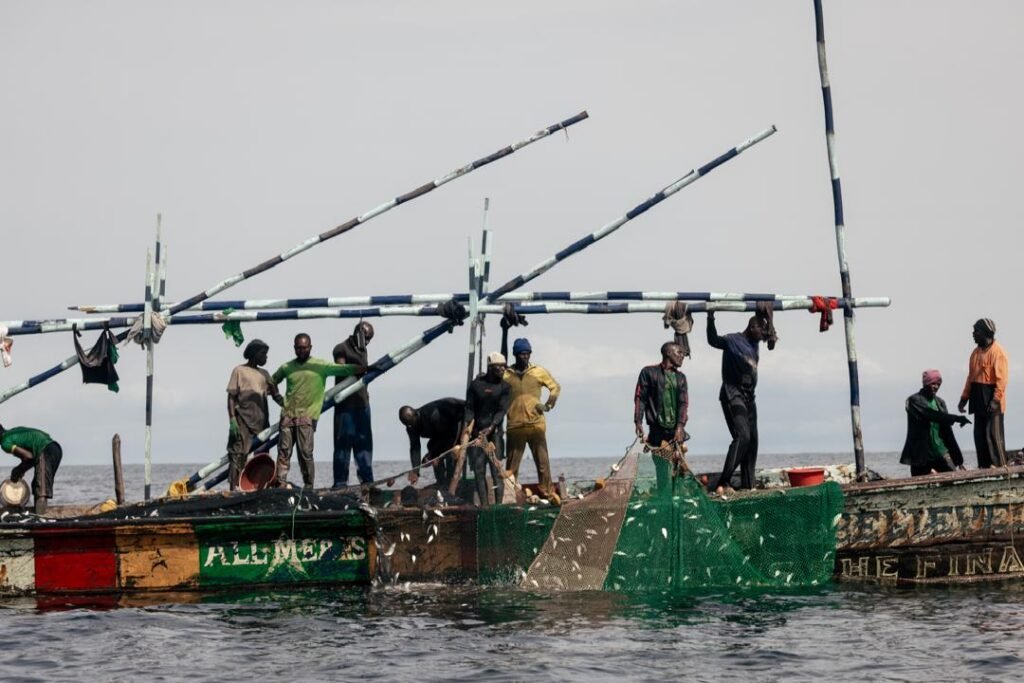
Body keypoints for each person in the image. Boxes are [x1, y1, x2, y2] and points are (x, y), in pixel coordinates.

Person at [272, 333, 365, 488]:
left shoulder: (320, 366)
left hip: (306, 419)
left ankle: (309, 487)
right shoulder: (287, 367)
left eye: (304, 348)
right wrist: (278, 398)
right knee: (283, 453)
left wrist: (361, 368)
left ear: (310, 347)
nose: (301, 351)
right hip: (287, 417)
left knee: (305, 454)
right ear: (294, 348)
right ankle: (280, 484)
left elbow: (342, 369)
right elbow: (272, 381)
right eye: (298, 348)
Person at [706, 311, 766, 494]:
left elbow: (770, 340)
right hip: (733, 394)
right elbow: (713, 340)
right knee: (743, 436)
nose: (762, 335)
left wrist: (768, 319)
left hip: (749, 397)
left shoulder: (756, 342)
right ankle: (723, 482)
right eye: (761, 331)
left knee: (753, 442)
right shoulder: (733, 340)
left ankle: (749, 485)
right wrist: (710, 317)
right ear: (752, 327)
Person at [503, 338, 561, 500]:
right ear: (515, 355)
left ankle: (549, 494)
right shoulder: (506, 375)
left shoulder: (538, 371)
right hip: (514, 426)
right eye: (522, 354)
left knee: (543, 464)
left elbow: (555, 387)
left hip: (536, 425)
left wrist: (549, 404)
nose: (525, 357)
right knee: (511, 467)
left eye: (528, 354)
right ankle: (510, 497)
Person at [225, 339, 283, 491]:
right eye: (263, 354)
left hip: (262, 423)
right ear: (254, 354)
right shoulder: (239, 371)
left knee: (262, 456)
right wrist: (232, 420)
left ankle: (258, 488)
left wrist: (289, 406)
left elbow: (276, 396)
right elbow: (231, 397)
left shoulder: (265, 374)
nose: (266, 357)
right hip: (242, 421)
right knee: (238, 455)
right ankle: (234, 489)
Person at [633, 342, 689, 493]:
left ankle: (676, 495)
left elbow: (684, 403)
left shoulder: (681, 377)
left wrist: (680, 427)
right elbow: (640, 397)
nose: (682, 356)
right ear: (668, 353)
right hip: (657, 431)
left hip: (676, 431)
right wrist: (638, 421)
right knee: (662, 467)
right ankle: (664, 497)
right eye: (679, 352)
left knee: (678, 465)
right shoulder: (648, 372)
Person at [958, 318, 1010, 468]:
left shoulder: (998, 352)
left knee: (993, 436)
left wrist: (995, 400)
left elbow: (1002, 380)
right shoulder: (975, 353)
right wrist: (964, 398)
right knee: (979, 437)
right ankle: (983, 468)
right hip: (977, 399)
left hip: (992, 400)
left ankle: (1000, 468)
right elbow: (971, 377)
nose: (973, 334)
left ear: (986, 332)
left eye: (976, 331)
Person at [462, 352, 511, 507]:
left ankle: (498, 507)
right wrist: (468, 427)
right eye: (500, 366)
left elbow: (502, 410)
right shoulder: (476, 385)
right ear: (491, 367)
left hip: (494, 434)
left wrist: (491, 427)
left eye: (504, 366)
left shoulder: (505, 387)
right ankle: (484, 506)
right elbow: (469, 407)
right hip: (476, 435)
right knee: (478, 470)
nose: (503, 369)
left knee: (496, 471)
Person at [901, 369, 970, 476]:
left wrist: (958, 461)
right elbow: (931, 415)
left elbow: (947, 431)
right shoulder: (913, 401)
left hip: (940, 451)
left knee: (953, 477)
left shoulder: (940, 403)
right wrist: (956, 418)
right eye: (933, 383)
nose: (936, 386)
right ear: (926, 383)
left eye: (938, 384)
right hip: (922, 455)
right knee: (920, 485)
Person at [332, 322, 375, 487]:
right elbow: (342, 369)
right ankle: (340, 483)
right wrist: (364, 369)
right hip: (345, 406)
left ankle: (367, 482)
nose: (368, 342)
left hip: (363, 404)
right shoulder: (340, 348)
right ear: (358, 332)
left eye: (370, 339)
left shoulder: (363, 349)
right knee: (343, 445)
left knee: (364, 445)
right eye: (366, 338)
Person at [399, 398, 464, 491]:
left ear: (416, 415)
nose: (412, 427)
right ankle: (441, 482)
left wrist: (431, 455)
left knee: (447, 452)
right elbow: (415, 447)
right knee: (432, 447)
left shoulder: (432, 415)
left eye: (413, 423)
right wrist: (416, 471)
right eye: (409, 425)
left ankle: (450, 482)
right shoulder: (410, 427)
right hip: (442, 432)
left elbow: (445, 437)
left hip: (456, 420)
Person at [0, 423, 62, 514]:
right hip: (55, 448)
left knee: (41, 490)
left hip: (45, 450)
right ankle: (40, 515)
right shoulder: (13, 432)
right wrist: (21, 469)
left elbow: (29, 456)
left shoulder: (5, 442)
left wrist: (19, 469)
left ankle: (39, 521)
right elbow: (30, 456)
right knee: (38, 485)